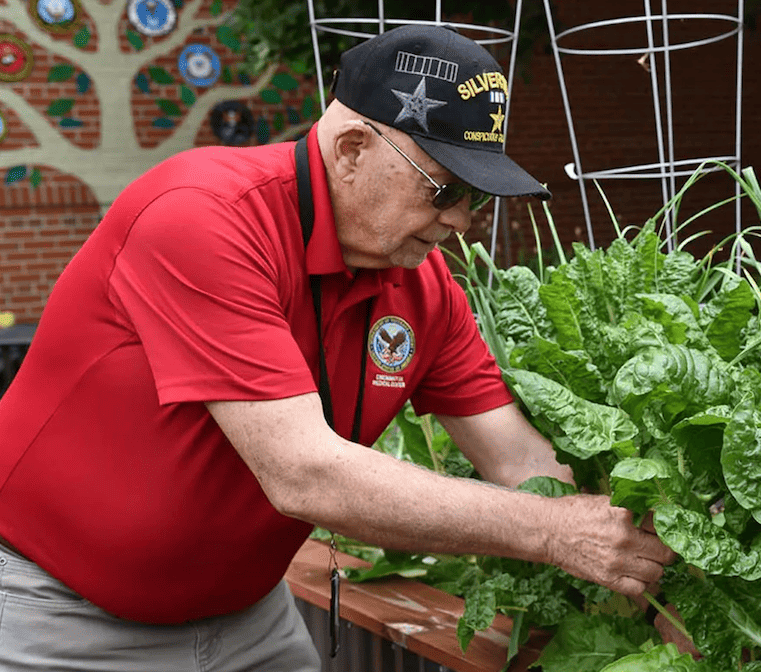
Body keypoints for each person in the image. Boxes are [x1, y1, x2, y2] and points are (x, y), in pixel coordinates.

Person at [0, 24, 675, 670]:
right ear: (352, 148)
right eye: (445, 188)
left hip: (247, 622)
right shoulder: (201, 216)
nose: (462, 223)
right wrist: (554, 533)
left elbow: (520, 459)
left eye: (479, 199)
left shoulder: (422, 286)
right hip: (60, 618)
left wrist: (649, 542)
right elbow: (302, 471)